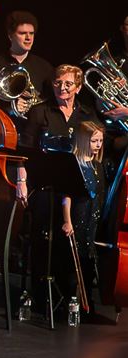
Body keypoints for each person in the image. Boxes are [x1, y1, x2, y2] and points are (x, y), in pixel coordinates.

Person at [16, 65, 100, 198]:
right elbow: (24, 151)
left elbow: (100, 146)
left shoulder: (87, 114)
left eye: (68, 84)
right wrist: (21, 181)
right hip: (46, 186)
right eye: (58, 83)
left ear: (78, 88)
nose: (62, 88)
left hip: (78, 186)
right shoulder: (39, 111)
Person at [61, 121, 107, 312]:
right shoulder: (75, 164)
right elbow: (67, 196)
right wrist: (67, 221)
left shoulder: (99, 166)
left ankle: (86, 304)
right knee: (74, 265)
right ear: (83, 140)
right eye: (94, 141)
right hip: (78, 217)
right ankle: (71, 303)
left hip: (92, 220)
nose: (98, 145)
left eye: (100, 141)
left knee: (88, 262)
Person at [0, 11, 53, 119]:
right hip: (3, 125)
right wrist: (11, 108)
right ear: (10, 36)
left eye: (31, 33)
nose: (28, 38)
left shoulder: (44, 68)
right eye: (22, 33)